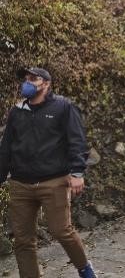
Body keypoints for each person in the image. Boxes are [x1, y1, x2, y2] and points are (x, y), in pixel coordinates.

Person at [0, 67, 96, 278]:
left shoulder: (63, 107)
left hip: (54, 181)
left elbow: (77, 140)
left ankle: (84, 268)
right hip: (21, 184)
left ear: (46, 83)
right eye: (26, 79)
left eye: (33, 79)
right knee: (23, 240)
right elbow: (6, 148)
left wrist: (77, 172)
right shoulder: (17, 111)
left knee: (62, 230)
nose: (27, 82)